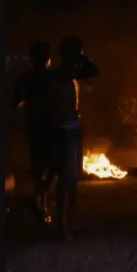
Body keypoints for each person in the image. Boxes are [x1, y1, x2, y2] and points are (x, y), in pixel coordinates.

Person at [47, 36, 100, 239]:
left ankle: (70, 220)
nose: (81, 55)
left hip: (72, 129)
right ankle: (63, 225)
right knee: (65, 180)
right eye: (78, 51)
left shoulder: (70, 73)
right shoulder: (60, 74)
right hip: (63, 131)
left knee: (72, 179)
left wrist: (82, 58)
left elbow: (95, 72)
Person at [11, 41, 54, 222]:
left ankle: (39, 202)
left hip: (35, 127)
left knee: (39, 169)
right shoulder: (53, 77)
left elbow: (16, 102)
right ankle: (40, 201)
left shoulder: (26, 79)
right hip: (50, 127)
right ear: (48, 59)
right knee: (52, 168)